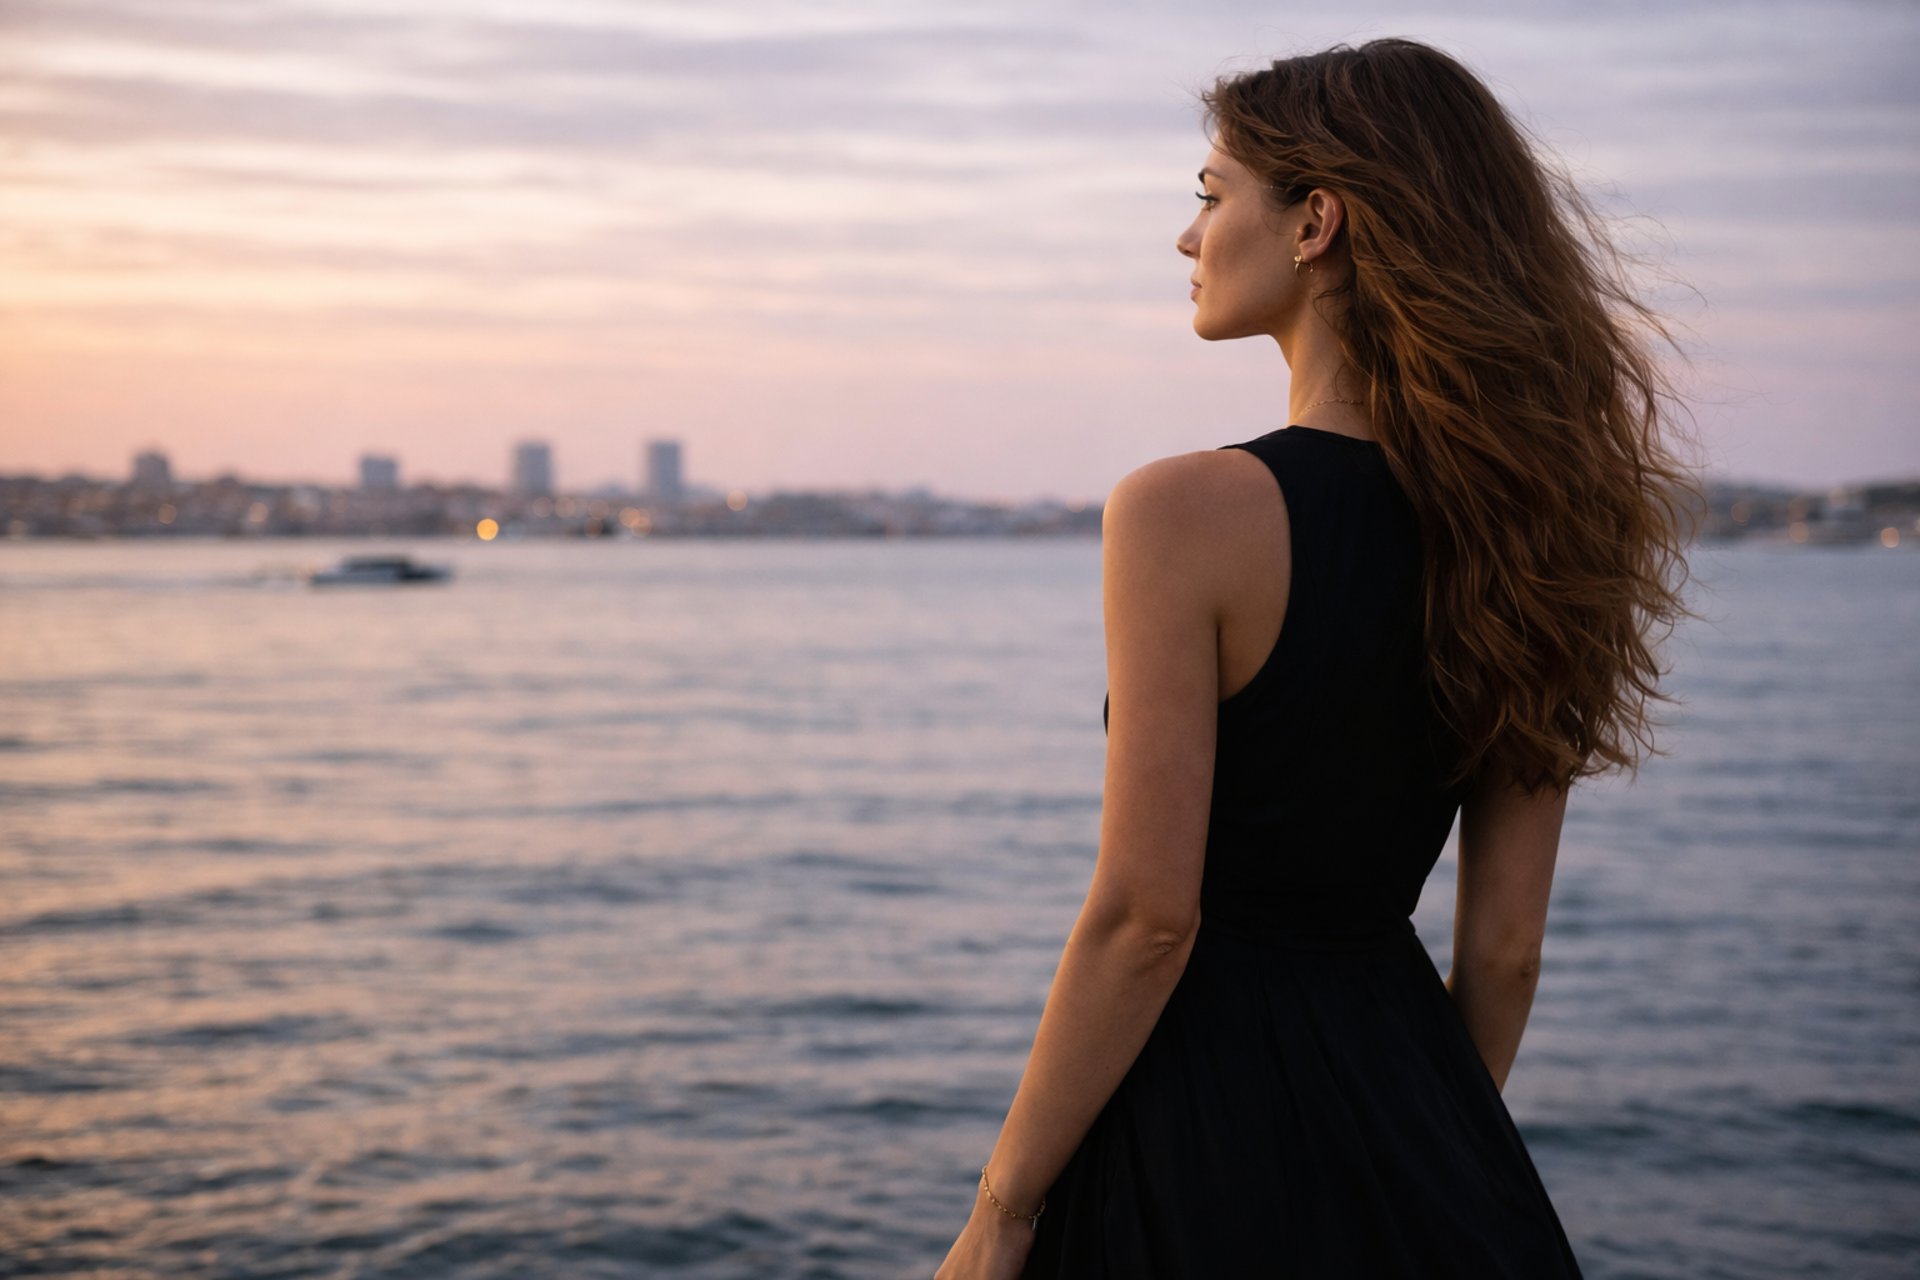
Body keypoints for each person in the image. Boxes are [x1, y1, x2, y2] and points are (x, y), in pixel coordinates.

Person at [933, 36, 1701, 1280]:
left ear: (1315, 222)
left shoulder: (1183, 510)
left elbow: (1147, 918)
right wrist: (1412, 1143)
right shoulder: (1537, 530)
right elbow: (1505, 950)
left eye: (1209, 194)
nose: (1187, 237)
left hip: (1192, 1136)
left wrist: (1002, 1210)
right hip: (1429, 1130)